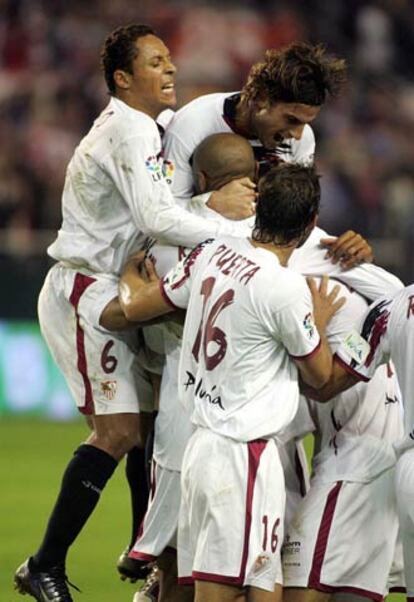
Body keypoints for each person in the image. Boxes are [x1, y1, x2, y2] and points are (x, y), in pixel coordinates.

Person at [13, 23, 259, 602]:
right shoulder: (127, 131)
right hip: (87, 291)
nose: (169, 68)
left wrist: (201, 204)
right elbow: (153, 218)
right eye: (154, 62)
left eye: (170, 58)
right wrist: (232, 231)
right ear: (123, 79)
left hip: (115, 286)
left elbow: (157, 208)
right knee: (119, 431)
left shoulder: (146, 128)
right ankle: (44, 563)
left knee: (148, 431)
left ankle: (144, 553)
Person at [117, 162, 348, 602]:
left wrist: (128, 276)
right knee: (218, 592)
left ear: (258, 206)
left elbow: (144, 304)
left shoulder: (211, 252)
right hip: (241, 454)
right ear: (311, 223)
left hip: (203, 445)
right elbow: (319, 377)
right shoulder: (283, 287)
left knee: (262, 583)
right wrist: (316, 322)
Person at [282, 279, 405, 602]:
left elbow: (325, 385)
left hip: (356, 468)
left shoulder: (387, 308)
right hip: (393, 466)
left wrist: (315, 329)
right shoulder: (388, 295)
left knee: (297, 590)